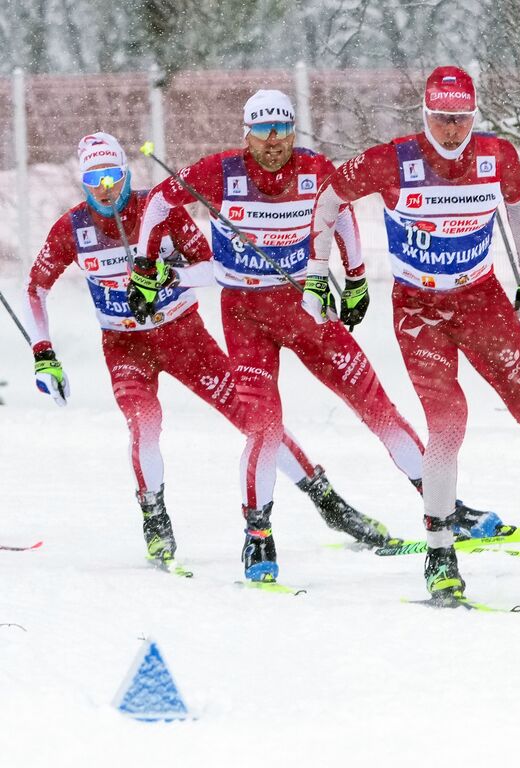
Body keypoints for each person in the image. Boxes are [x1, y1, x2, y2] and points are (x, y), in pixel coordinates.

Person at [303, 66, 520, 602]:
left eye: (461, 118)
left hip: (481, 299)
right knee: (448, 423)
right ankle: (440, 554)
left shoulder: (498, 156)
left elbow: (519, 202)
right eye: (441, 118)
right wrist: (320, 273)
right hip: (418, 310)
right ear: (425, 115)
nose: (451, 130)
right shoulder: (392, 160)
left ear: (474, 115)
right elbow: (329, 196)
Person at [132, 91, 499, 582]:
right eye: (262, 130)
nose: (273, 141)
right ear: (246, 133)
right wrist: (143, 267)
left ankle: (445, 508)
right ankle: (258, 538)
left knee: (377, 406)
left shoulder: (313, 168)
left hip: (306, 305)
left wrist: (355, 277)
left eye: (282, 129)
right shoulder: (220, 172)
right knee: (263, 427)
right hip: (246, 316)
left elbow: (343, 212)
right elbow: (157, 202)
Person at [25, 132, 388, 564]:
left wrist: (170, 275)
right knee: (144, 425)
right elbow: (35, 289)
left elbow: (214, 267)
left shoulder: (157, 211)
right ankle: (155, 520)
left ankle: (329, 503)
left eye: (114, 176)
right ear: (83, 184)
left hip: (184, 338)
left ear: (126, 173)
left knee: (255, 421)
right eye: (95, 180)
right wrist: (43, 354)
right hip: (125, 347)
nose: (106, 188)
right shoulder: (73, 228)